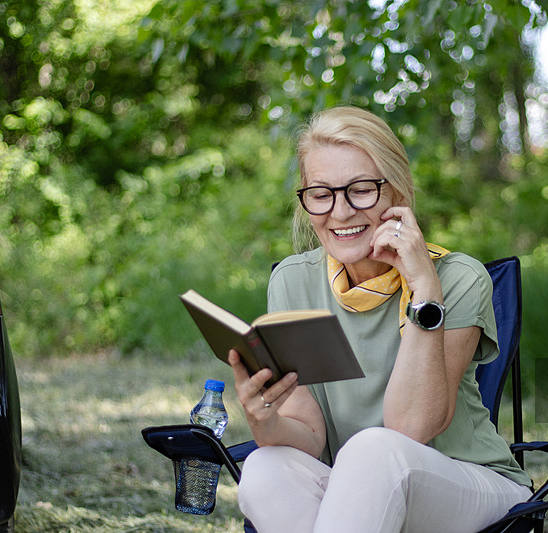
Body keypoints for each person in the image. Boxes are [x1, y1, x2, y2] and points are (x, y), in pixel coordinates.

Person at [228, 106, 532, 533]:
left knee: (373, 450)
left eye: (361, 190)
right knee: (264, 467)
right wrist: (265, 419)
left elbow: (412, 427)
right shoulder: (291, 283)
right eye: (321, 193)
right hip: (356, 500)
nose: (341, 212)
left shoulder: (458, 278)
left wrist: (424, 289)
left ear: (397, 193)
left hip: (469, 484)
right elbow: (310, 436)